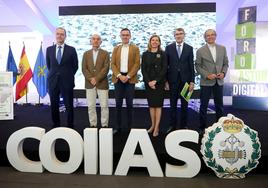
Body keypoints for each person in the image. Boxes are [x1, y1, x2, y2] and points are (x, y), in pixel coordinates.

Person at [195, 29, 229, 133]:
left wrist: (223, 73)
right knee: (203, 106)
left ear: (215, 36)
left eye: (212, 35)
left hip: (218, 81)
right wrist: (207, 75)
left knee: (219, 106)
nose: (210, 37)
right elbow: (197, 66)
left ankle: (219, 127)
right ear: (205, 38)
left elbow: (225, 64)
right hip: (206, 82)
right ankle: (202, 128)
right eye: (208, 35)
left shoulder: (222, 48)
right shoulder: (200, 50)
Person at [46, 27, 78, 128]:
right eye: (58, 34)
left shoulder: (71, 50)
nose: (59, 36)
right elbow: (49, 65)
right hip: (53, 82)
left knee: (69, 105)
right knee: (54, 104)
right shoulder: (49, 49)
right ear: (55, 35)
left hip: (67, 81)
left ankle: (70, 125)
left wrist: (67, 74)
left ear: (65, 36)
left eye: (62, 34)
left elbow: (75, 66)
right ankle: (56, 124)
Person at [165, 28, 195, 134]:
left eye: (180, 34)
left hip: (186, 81)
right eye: (176, 34)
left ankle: (183, 125)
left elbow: (191, 66)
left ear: (184, 35)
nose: (178, 35)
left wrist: (192, 81)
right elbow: (166, 66)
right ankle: (172, 125)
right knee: (172, 104)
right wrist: (166, 81)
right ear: (174, 36)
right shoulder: (168, 48)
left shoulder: (189, 48)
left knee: (184, 104)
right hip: (172, 81)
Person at [111, 28, 140, 134]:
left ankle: (130, 127)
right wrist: (119, 75)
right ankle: (117, 127)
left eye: (127, 35)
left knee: (129, 104)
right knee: (118, 104)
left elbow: (137, 64)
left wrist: (127, 76)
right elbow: (112, 64)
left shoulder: (135, 48)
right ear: (120, 36)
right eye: (123, 35)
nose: (125, 37)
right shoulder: (116, 49)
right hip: (118, 79)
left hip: (130, 79)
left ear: (130, 36)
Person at [141, 35, 167, 137]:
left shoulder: (163, 54)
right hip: (148, 84)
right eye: (153, 40)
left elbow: (164, 69)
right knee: (151, 106)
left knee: (158, 106)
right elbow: (143, 69)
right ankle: (152, 125)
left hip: (159, 84)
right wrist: (148, 82)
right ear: (150, 42)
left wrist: (155, 81)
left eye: (157, 40)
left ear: (159, 42)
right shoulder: (145, 54)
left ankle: (157, 127)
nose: (155, 42)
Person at [82, 34, 110, 128]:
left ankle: (104, 125)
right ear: (90, 41)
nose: (95, 41)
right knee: (91, 106)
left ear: (101, 42)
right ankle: (93, 124)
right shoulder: (86, 54)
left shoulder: (105, 53)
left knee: (104, 106)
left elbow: (106, 68)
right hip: (89, 84)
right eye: (93, 39)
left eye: (98, 39)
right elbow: (84, 68)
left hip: (102, 83)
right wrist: (91, 79)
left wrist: (96, 79)